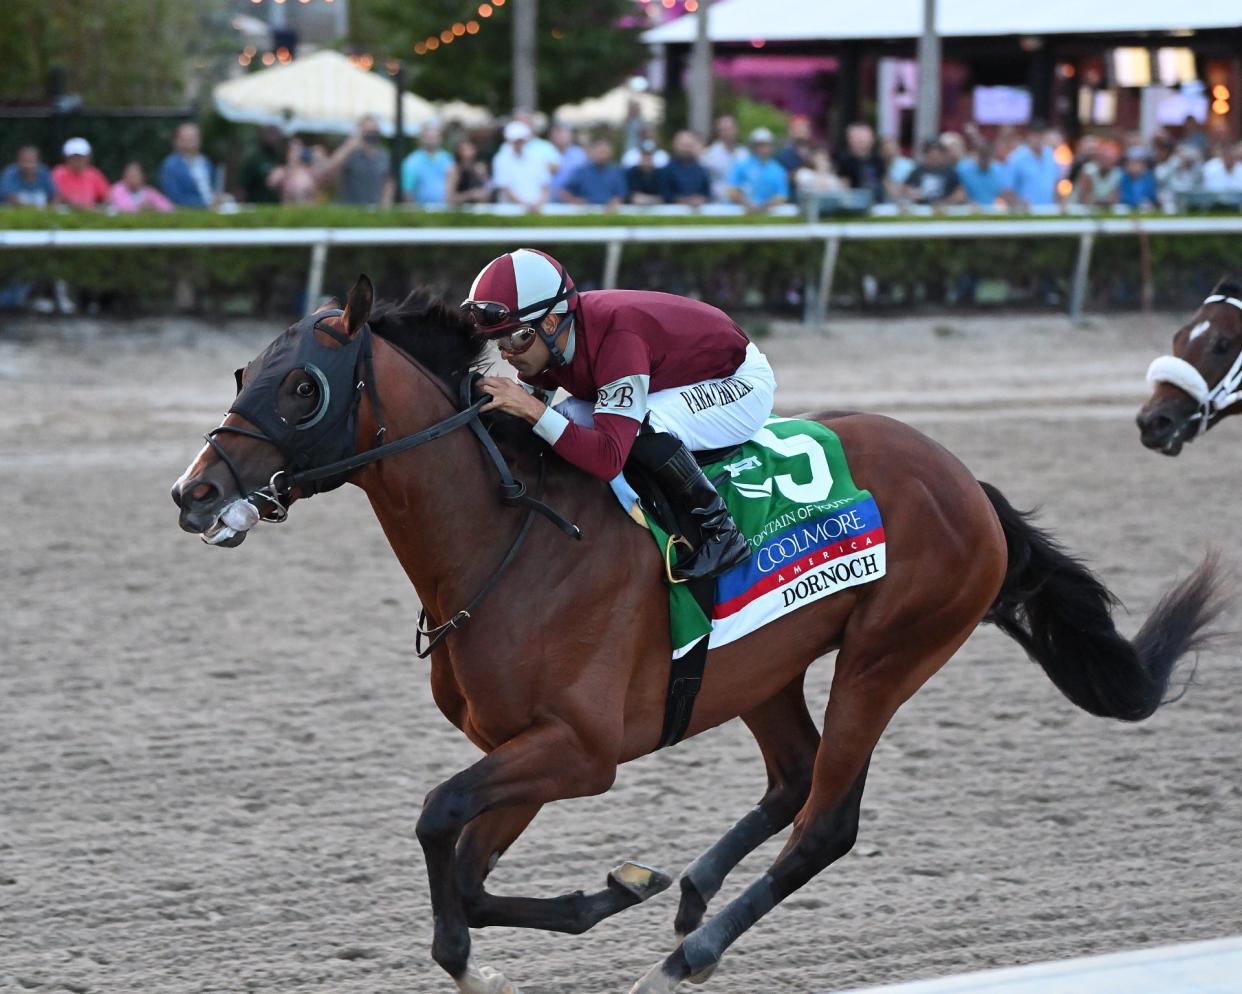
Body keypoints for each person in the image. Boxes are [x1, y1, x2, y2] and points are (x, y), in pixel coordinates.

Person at [465, 248, 775, 580]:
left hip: (737, 383)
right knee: (562, 417)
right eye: (498, 343)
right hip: (670, 376)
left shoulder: (616, 337)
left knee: (644, 425)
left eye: (514, 339)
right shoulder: (547, 343)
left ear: (551, 322)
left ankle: (720, 531)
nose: (507, 354)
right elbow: (518, 422)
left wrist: (533, 410)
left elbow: (609, 457)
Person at [322, 116, 394, 207]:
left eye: (374, 132)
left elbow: (388, 181)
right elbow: (329, 169)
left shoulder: (384, 155)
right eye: (368, 132)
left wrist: (386, 203)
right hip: (350, 210)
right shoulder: (350, 152)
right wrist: (350, 145)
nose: (371, 135)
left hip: (374, 211)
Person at [492, 120, 552, 210]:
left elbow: (545, 185)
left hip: (537, 208)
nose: (518, 144)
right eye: (516, 141)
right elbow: (504, 187)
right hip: (510, 209)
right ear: (509, 140)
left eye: (521, 140)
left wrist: (538, 203)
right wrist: (524, 205)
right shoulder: (500, 159)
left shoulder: (537, 158)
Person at [726, 128, 790, 210]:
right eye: (759, 145)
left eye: (766, 145)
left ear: (772, 147)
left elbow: (782, 196)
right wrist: (747, 204)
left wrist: (763, 207)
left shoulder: (778, 170)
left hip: (768, 217)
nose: (763, 148)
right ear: (752, 146)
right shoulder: (741, 165)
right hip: (743, 215)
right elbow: (731, 190)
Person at [158, 123, 218, 208]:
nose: (190, 142)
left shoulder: (205, 162)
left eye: (193, 138)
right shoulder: (170, 166)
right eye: (186, 139)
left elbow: (213, 188)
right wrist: (206, 203)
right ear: (177, 141)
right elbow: (175, 199)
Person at [1005, 125, 1061, 207]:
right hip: (1025, 215)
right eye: (1035, 136)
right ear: (1029, 137)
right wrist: (1018, 204)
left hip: (1049, 212)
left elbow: (1056, 184)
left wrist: (1060, 202)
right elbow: (1007, 190)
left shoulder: (1050, 155)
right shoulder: (1016, 158)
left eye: (1040, 136)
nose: (1037, 140)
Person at [561, 138, 627, 208]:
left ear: (610, 153)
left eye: (604, 152)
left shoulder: (616, 172)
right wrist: (574, 201)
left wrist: (615, 201)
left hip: (608, 213)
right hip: (584, 213)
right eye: (600, 152)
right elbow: (563, 192)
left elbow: (621, 194)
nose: (602, 155)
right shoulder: (581, 171)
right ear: (593, 151)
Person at [400, 123, 454, 206]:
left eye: (434, 137)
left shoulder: (447, 159)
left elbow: (452, 185)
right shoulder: (412, 161)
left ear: (440, 138)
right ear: (421, 138)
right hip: (421, 211)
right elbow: (408, 190)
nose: (432, 140)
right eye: (429, 137)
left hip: (444, 210)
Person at [902, 140, 966, 207]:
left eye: (938, 153)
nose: (934, 156)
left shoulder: (950, 172)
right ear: (925, 154)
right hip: (922, 208)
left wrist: (946, 202)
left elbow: (960, 193)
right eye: (931, 153)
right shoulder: (918, 171)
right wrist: (911, 192)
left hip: (944, 208)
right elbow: (904, 187)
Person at [51, 138, 110, 209]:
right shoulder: (59, 173)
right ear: (66, 158)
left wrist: (97, 207)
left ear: (88, 157)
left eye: (80, 157)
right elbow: (54, 199)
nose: (77, 160)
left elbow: (107, 198)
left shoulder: (94, 174)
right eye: (74, 157)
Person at [701, 115, 748, 202]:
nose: (727, 132)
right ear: (718, 132)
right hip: (718, 203)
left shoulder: (745, 153)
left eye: (730, 129)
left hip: (743, 201)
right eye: (723, 130)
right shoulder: (708, 155)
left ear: (736, 130)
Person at [836, 122, 886, 202]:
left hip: (878, 201)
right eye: (857, 138)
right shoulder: (844, 160)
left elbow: (884, 181)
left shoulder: (877, 159)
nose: (860, 141)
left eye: (863, 137)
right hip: (856, 202)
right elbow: (843, 183)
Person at [659, 130, 712, 206]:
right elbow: (665, 195)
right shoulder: (666, 171)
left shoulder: (702, 171)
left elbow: (707, 194)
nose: (686, 149)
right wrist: (684, 200)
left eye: (689, 145)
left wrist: (701, 199)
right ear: (675, 145)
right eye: (683, 145)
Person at [266, 138, 321, 205]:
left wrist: (318, 157)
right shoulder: (281, 171)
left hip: (308, 211)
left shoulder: (309, 172)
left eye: (298, 150)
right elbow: (271, 183)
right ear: (287, 152)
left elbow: (326, 177)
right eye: (293, 150)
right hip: (289, 212)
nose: (296, 153)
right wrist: (287, 172)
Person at [237, 125, 285, 204]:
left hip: (275, 206)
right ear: (263, 135)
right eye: (270, 133)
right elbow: (241, 186)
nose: (273, 137)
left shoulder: (279, 158)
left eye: (276, 134)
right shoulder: (254, 158)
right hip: (255, 204)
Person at [955, 143, 1008, 207]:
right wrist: (968, 202)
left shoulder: (1000, 170)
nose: (984, 160)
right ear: (976, 155)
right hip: (970, 210)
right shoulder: (962, 169)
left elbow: (1003, 194)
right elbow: (959, 194)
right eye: (982, 156)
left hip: (993, 210)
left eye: (987, 157)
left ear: (992, 157)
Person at [110, 162, 174, 213]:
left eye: (136, 175)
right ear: (124, 176)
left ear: (143, 177)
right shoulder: (117, 189)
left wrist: (153, 208)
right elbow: (122, 207)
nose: (133, 178)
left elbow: (168, 207)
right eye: (130, 175)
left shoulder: (149, 192)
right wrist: (139, 208)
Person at [1073, 141, 1122, 207]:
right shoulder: (1088, 170)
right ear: (1099, 157)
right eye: (1105, 158)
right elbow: (1084, 197)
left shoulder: (1117, 173)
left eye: (1111, 158)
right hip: (1079, 208)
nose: (1107, 161)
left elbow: (1115, 197)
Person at [547, 123, 588, 202]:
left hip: (573, 200)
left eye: (563, 135)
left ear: (570, 137)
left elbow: (585, 178)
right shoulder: (544, 151)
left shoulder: (579, 154)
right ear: (551, 137)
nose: (560, 138)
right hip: (548, 200)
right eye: (557, 135)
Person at [445, 138, 492, 205]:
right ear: (458, 152)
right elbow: (449, 198)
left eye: (470, 149)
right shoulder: (454, 170)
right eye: (464, 150)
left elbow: (488, 191)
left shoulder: (480, 168)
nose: (468, 153)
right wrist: (470, 195)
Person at [625, 139, 664, 205]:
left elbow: (663, 196)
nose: (647, 157)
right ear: (640, 155)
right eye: (644, 154)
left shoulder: (660, 174)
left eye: (649, 154)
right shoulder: (631, 173)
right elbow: (629, 195)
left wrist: (647, 199)